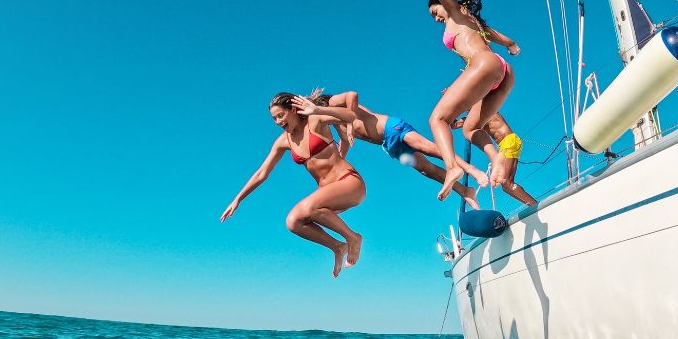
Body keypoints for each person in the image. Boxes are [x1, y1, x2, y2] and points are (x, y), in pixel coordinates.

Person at [406, 0, 519, 200]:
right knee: (470, 129)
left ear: (444, 3)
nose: (436, 18)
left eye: (435, 12)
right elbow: (495, 36)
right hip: (502, 71)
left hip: (485, 65)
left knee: (437, 119)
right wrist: (511, 44)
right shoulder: (473, 21)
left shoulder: (455, 13)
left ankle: (452, 167)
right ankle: (496, 158)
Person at [221, 93, 365, 277]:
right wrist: (237, 200)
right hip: (328, 195)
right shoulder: (284, 141)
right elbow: (262, 173)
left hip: (349, 182)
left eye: (281, 115)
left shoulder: (315, 120)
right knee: (293, 221)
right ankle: (338, 247)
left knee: (308, 207)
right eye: (274, 118)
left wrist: (318, 109)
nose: (278, 121)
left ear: (294, 110)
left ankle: (353, 237)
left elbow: (351, 116)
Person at [311, 90, 485, 209]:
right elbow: (344, 142)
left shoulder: (333, 102)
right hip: (389, 144)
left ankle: (471, 170)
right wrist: (337, 166)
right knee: (426, 169)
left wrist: (349, 123)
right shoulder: (335, 124)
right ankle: (465, 191)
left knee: (430, 148)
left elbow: (352, 94)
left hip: (391, 128)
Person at [457, 112, 539, 208]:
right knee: (506, 185)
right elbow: (455, 124)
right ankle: (534, 206)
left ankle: (536, 206)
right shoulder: (475, 113)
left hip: (508, 142)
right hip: (508, 142)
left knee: (506, 183)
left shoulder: (481, 109)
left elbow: (458, 124)